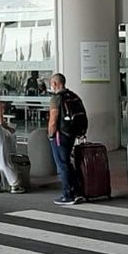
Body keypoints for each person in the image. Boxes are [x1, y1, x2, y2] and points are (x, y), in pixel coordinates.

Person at [47, 73, 88, 205]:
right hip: (71, 134)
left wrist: (50, 135)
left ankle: (67, 195)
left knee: (62, 164)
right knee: (67, 163)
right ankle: (77, 192)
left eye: (51, 83)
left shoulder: (56, 99)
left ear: (55, 83)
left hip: (60, 135)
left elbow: (53, 120)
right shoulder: (73, 95)